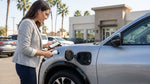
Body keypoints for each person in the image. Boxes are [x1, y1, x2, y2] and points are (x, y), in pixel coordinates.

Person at [12, 1, 54, 84]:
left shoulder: (33, 23)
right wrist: (44, 53)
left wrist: (45, 45)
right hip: (25, 65)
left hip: (28, 65)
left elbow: (31, 44)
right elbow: (25, 48)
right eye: (46, 14)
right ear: (39, 11)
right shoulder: (27, 23)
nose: (46, 17)